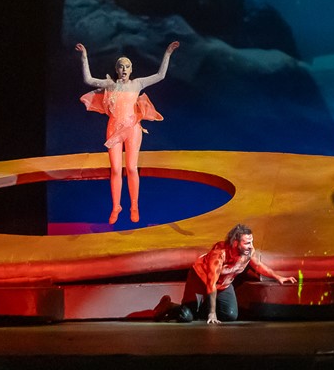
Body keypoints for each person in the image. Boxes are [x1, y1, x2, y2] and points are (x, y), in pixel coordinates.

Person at [76, 40, 179, 224]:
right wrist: (84, 56)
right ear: (117, 69)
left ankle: (134, 206)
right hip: (114, 128)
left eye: (127, 66)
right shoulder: (110, 85)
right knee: (116, 169)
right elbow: (89, 80)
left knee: (131, 168)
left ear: (131, 70)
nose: (124, 69)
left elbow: (160, 75)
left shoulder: (137, 84)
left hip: (132, 129)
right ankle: (116, 206)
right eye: (121, 66)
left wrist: (168, 53)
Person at [174, 223, 296, 324]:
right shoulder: (219, 255)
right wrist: (212, 313)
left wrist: (278, 277)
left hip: (223, 285)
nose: (251, 246)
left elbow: (258, 266)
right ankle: (170, 306)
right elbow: (211, 283)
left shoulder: (248, 252)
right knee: (186, 317)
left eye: (251, 242)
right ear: (235, 243)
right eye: (247, 243)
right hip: (200, 281)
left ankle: (201, 309)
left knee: (230, 315)